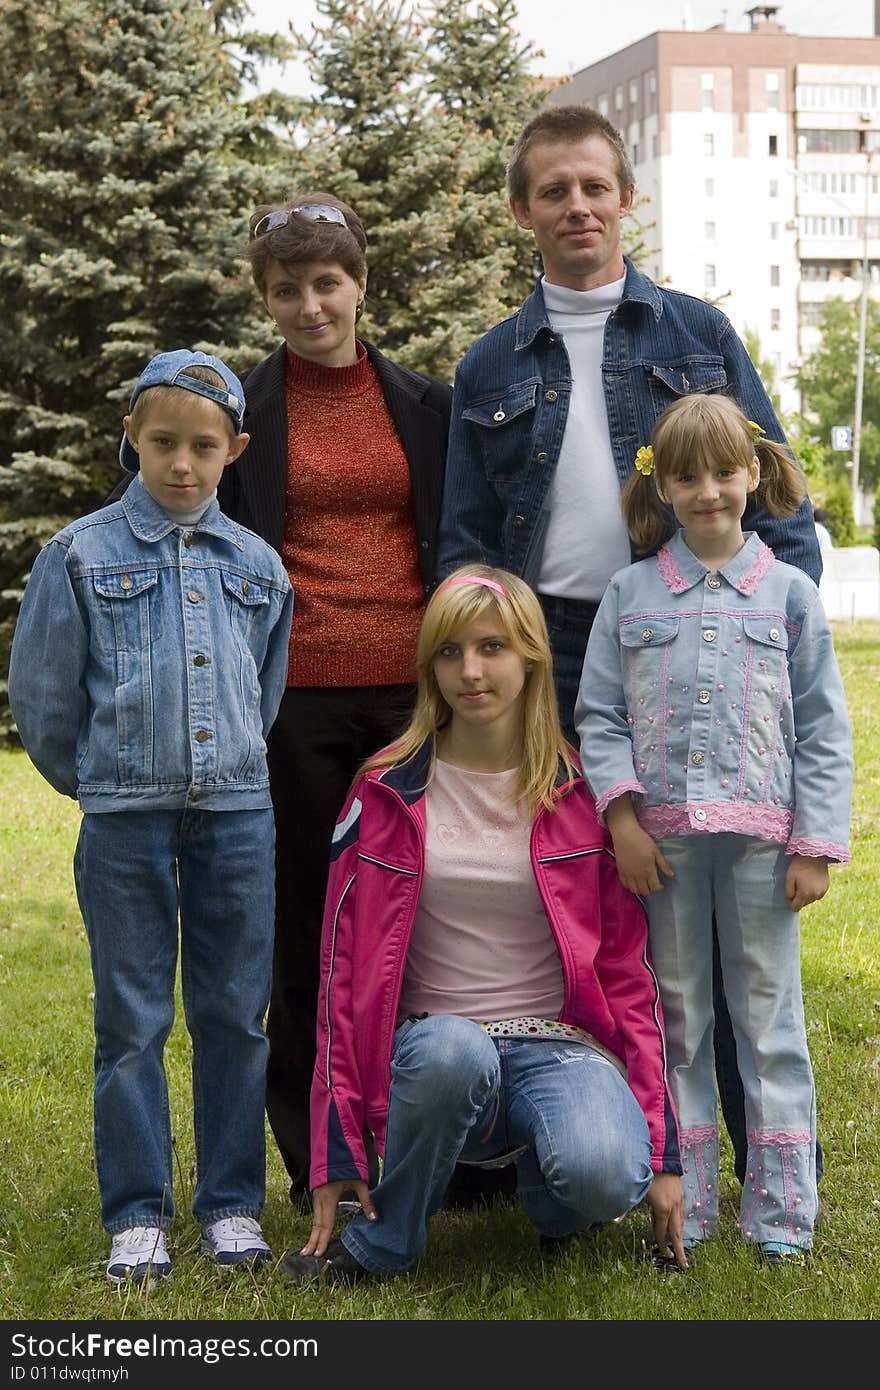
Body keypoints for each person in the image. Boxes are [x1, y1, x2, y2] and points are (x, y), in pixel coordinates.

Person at [436, 101, 823, 1190]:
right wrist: (476, 657)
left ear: (625, 196)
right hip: (540, 652)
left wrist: (771, 636)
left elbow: (778, 505)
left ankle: (755, 1164)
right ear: (522, 209)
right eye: (551, 190)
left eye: (593, 186)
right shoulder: (489, 365)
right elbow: (465, 537)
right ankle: (583, 1150)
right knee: (559, 893)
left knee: (714, 889)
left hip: (683, 633)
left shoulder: (696, 337)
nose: (575, 206)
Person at [106, 195, 452, 1204]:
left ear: (360, 285)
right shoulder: (242, 415)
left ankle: (441, 1144)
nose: (310, 305)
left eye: (327, 283)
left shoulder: (424, 405)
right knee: (305, 926)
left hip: (414, 703)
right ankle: (319, 1159)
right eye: (287, 288)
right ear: (267, 299)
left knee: (420, 921)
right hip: (289, 702)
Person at [280, 565, 687, 1286]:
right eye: (449, 651)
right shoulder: (382, 792)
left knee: (601, 1173)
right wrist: (335, 1152)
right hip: (436, 1048)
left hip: (557, 1048)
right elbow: (342, 980)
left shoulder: (581, 794)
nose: (470, 671)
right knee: (453, 1053)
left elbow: (631, 977)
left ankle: (553, 1200)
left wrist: (659, 1154)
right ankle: (385, 1243)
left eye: (492, 647)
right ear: (430, 665)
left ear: (531, 656)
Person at [8, 351, 294, 1284]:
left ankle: (232, 1208)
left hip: (237, 819)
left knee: (233, 1016)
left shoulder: (258, 566)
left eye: (202, 447)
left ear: (233, 451)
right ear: (131, 439)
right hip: (125, 821)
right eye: (163, 442)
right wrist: (103, 780)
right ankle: (137, 1214)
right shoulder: (79, 555)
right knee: (130, 1018)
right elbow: (45, 704)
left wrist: (230, 765)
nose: (181, 463)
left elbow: (266, 691)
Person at [575, 394, 852, 1266]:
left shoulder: (790, 594)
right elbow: (600, 715)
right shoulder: (630, 593)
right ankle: (683, 1204)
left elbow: (823, 727)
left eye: (723, 473)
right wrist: (620, 818)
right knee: (680, 1014)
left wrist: (814, 843)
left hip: (765, 847)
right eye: (686, 475)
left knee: (769, 1019)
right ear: (661, 485)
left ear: (753, 475)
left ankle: (780, 1215)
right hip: (661, 847)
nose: (707, 492)